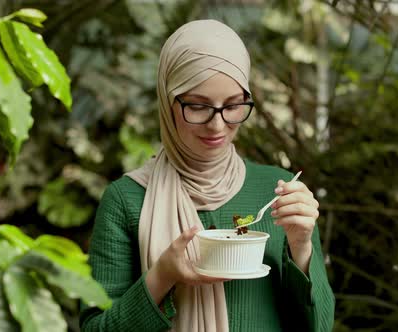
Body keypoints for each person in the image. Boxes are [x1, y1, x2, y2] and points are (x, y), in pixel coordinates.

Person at [80, 19, 335, 332]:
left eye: (233, 106)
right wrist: (162, 275)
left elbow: (320, 326)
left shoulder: (278, 191)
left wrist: (302, 247)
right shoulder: (127, 199)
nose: (217, 125)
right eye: (198, 107)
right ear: (167, 101)